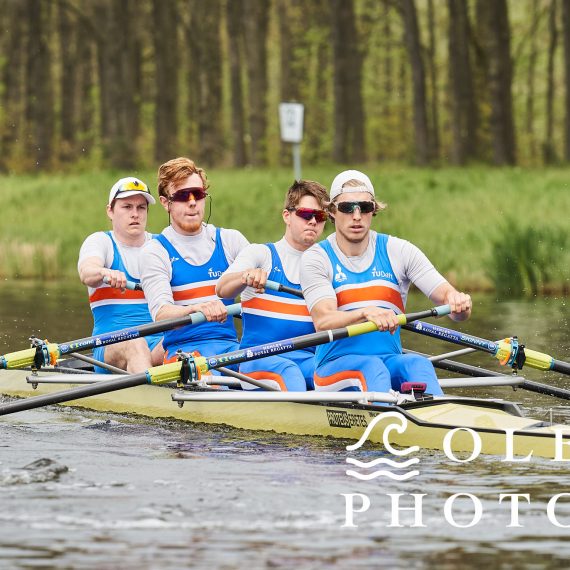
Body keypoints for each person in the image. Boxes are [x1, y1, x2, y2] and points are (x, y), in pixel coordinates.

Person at [300, 169, 472, 395]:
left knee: (418, 364)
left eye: (365, 207)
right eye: (347, 207)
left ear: (374, 210)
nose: (357, 216)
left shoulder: (399, 251)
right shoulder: (316, 258)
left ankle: (442, 415)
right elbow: (323, 321)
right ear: (332, 211)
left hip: (388, 361)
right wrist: (366, 313)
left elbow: (452, 306)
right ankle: (391, 412)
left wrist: (457, 302)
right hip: (332, 369)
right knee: (372, 368)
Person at [216, 180, 329, 391]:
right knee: (289, 372)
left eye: (320, 216)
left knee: (339, 370)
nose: (313, 221)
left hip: (307, 360)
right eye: (306, 214)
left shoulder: (327, 265)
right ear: (287, 216)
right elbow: (222, 289)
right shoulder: (261, 254)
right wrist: (245, 277)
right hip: (257, 358)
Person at [140, 157, 249, 367]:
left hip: (231, 348)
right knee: (215, 381)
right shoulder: (155, 251)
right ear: (165, 203)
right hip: (183, 354)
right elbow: (162, 315)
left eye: (198, 194)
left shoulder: (231, 240)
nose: (192, 202)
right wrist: (196, 309)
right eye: (182, 196)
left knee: (279, 370)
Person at [78, 177, 164, 374]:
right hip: (111, 345)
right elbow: (86, 272)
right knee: (135, 343)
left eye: (141, 208)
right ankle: (147, 390)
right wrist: (104, 272)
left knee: (191, 339)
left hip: (159, 342)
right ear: (110, 211)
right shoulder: (101, 242)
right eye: (127, 207)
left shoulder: (162, 245)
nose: (135, 214)